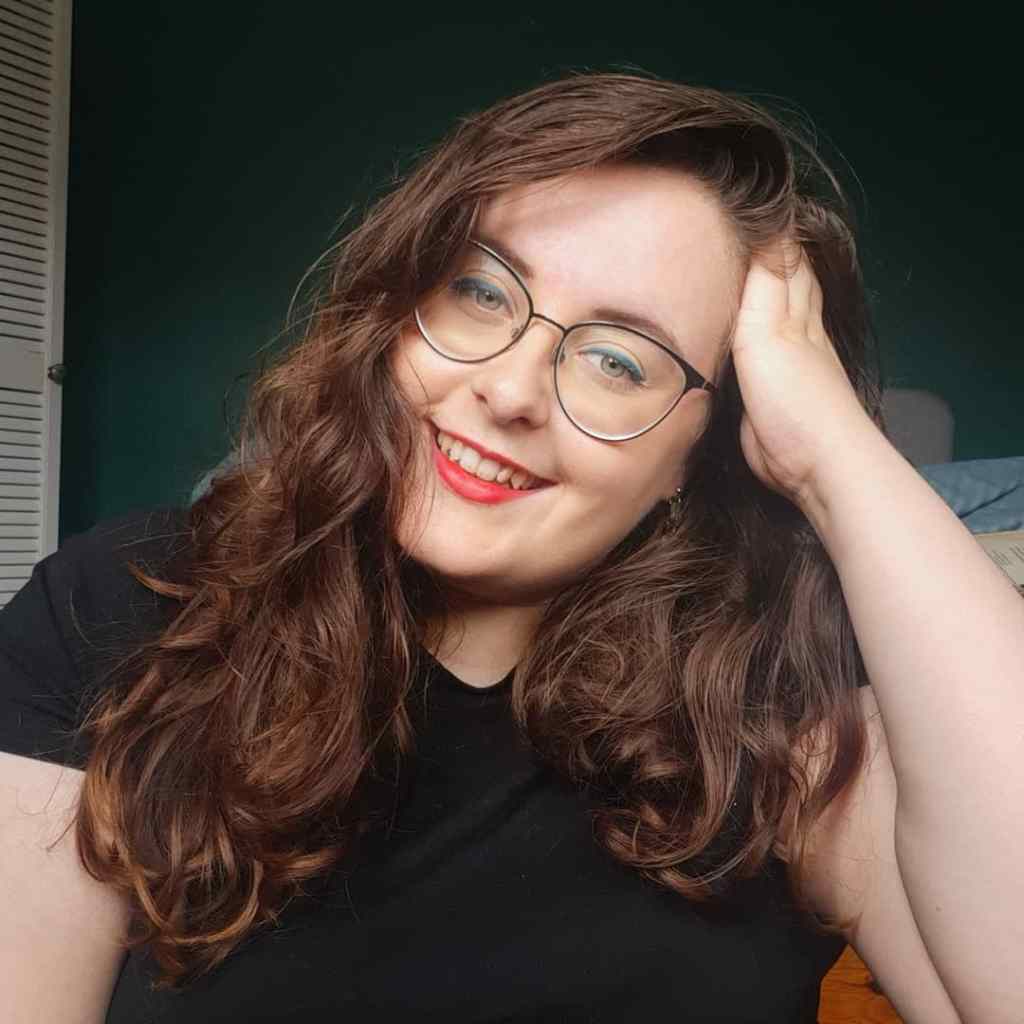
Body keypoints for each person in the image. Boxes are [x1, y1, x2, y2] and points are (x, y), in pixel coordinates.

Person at [2, 68, 1001, 1023]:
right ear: (397, 309)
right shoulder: (117, 613)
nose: (512, 391)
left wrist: (829, 447)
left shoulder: (782, 707)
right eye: (480, 292)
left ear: (691, 457)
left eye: (618, 360)